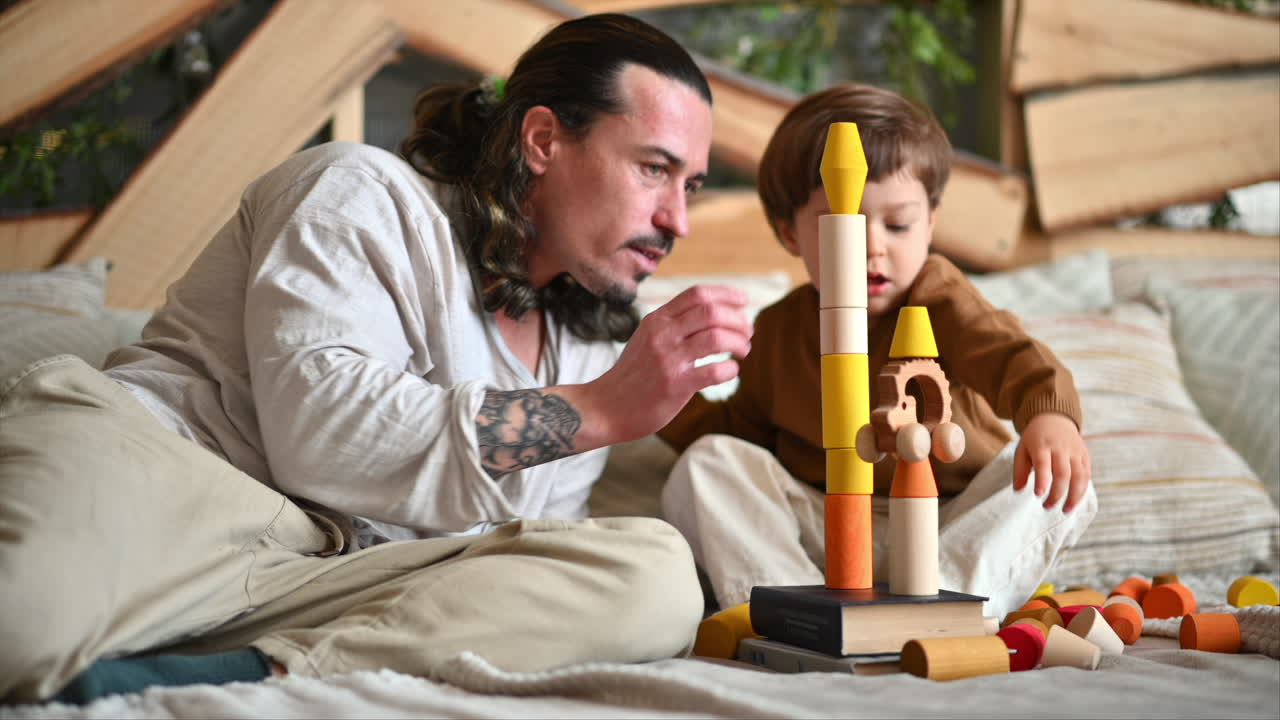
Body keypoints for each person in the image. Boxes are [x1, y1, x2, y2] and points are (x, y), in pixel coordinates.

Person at [0, 13, 755, 704]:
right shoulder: (360, 191)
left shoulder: (589, 342)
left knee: (653, 576)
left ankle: (257, 670)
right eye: (654, 169)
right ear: (543, 141)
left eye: (690, 185)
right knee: (18, 629)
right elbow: (321, 436)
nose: (676, 219)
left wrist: (605, 404)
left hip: (327, 582)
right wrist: (594, 409)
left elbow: (516, 554)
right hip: (170, 482)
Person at [656, 83, 1097, 620]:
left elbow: (1014, 358)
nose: (871, 246)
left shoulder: (941, 297)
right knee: (707, 467)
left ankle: (942, 606)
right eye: (842, 224)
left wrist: (1049, 415)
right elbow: (741, 440)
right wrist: (668, 398)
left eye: (898, 224)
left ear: (931, 225)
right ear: (789, 233)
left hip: (947, 523)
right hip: (828, 533)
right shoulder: (776, 330)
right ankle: (792, 611)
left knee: (1049, 483)